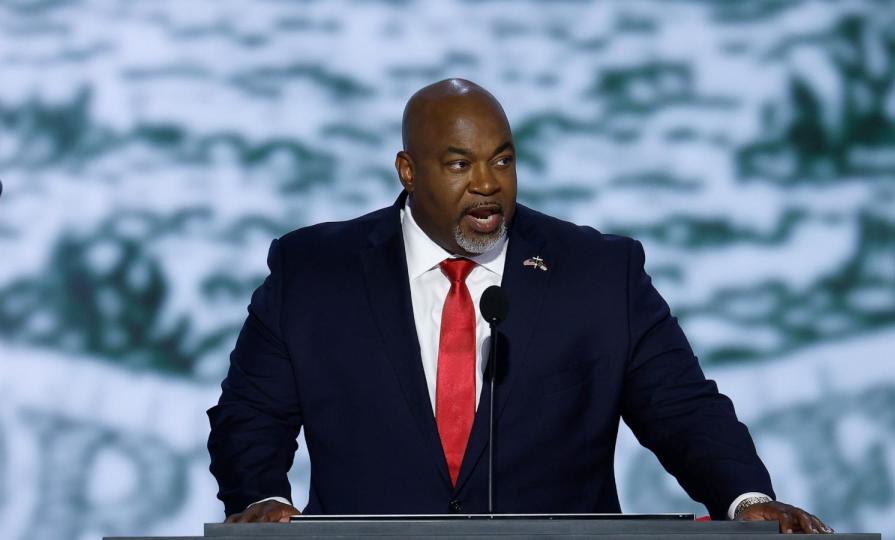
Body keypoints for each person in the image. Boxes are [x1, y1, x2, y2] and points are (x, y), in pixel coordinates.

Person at [207, 78, 832, 534]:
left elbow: (682, 408)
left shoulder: (596, 272)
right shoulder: (315, 271)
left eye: (502, 159)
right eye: (459, 163)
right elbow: (250, 416)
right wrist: (261, 497)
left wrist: (746, 501)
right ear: (407, 170)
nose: (487, 183)